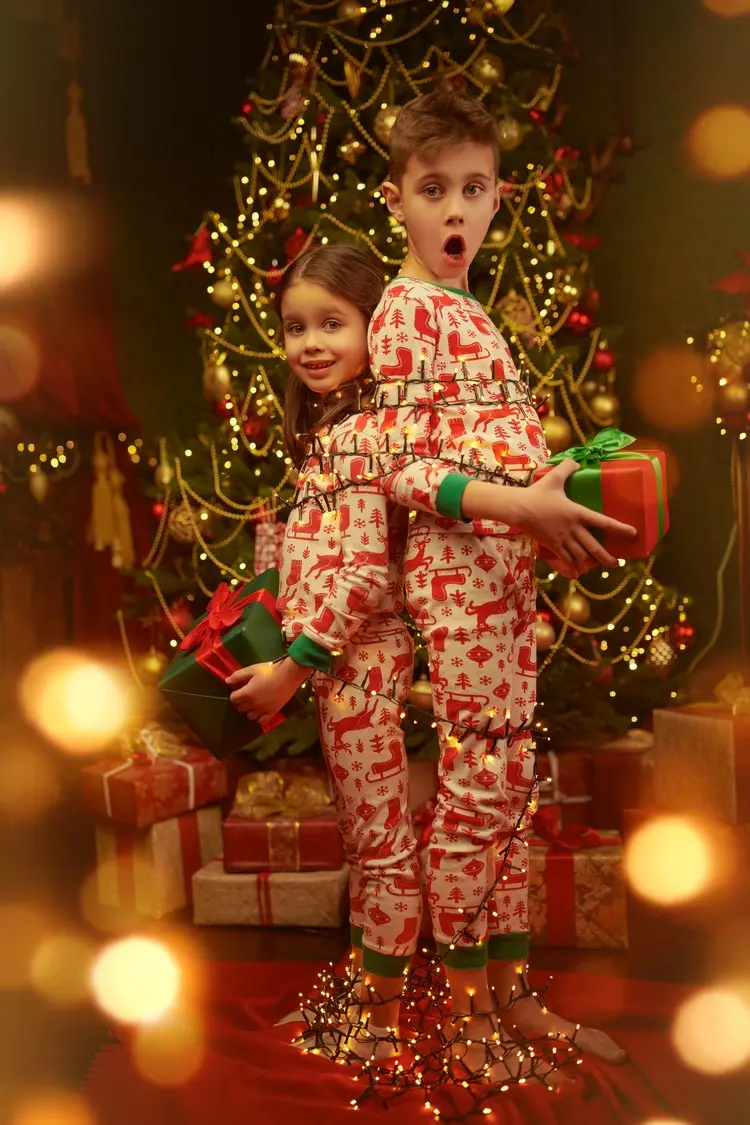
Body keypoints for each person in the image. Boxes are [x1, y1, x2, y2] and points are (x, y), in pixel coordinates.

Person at [366, 90, 634, 1078]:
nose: (454, 210)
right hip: (462, 590)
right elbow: (401, 468)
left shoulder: (468, 308)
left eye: (473, 189)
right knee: (479, 796)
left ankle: (513, 998)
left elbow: (490, 451)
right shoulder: (404, 315)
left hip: (509, 583)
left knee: (511, 791)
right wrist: (520, 508)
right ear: (396, 199)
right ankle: (470, 1014)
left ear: (498, 198)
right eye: (433, 189)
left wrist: (548, 494)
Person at [225, 245, 420, 1062]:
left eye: (332, 323)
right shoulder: (331, 433)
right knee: (365, 837)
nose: (310, 342)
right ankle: (362, 994)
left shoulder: (362, 436)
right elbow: (326, 556)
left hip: (358, 661)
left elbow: (367, 574)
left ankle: (377, 1019)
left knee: (380, 845)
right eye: (295, 326)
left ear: (374, 327)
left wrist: (291, 667)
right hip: (341, 664)